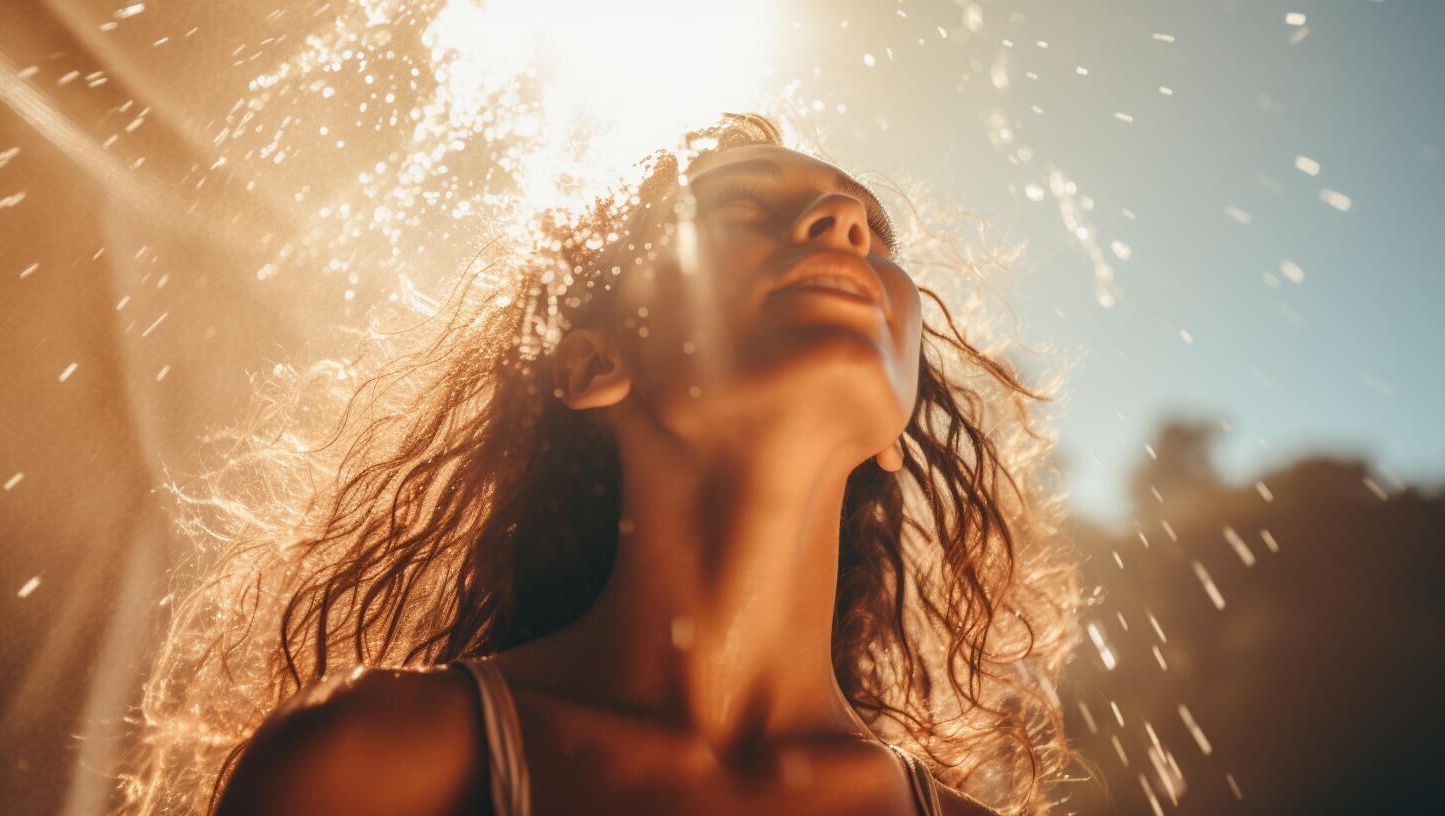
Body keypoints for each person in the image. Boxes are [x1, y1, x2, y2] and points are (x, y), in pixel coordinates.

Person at [118, 113, 1078, 815]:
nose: (843, 220)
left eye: (876, 231)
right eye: (741, 208)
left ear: (894, 420)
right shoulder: (373, 768)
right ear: (592, 363)